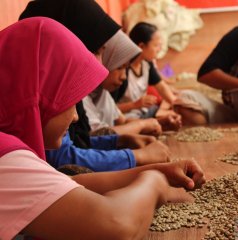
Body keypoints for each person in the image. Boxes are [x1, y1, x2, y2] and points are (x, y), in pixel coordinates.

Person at [0, 17, 205, 240]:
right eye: (69, 102)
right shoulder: (6, 158)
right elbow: (117, 225)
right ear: (38, 94)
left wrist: (156, 171)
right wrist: (154, 184)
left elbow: (65, 185)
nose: (76, 116)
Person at [20, 0, 171, 171]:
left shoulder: (57, 92)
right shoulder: (42, 99)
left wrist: (120, 141)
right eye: (97, 51)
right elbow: (62, 157)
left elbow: (79, 141)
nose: (101, 65)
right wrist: (137, 156)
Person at [112, 22, 181, 128]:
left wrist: (176, 103)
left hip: (144, 113)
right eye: (156, 45)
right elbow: (109, 109)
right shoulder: (121, 71)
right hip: (125, 119)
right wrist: (134, 105)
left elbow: (161, 86)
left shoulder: (146, 64)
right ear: (141, 46)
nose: (159, 49)